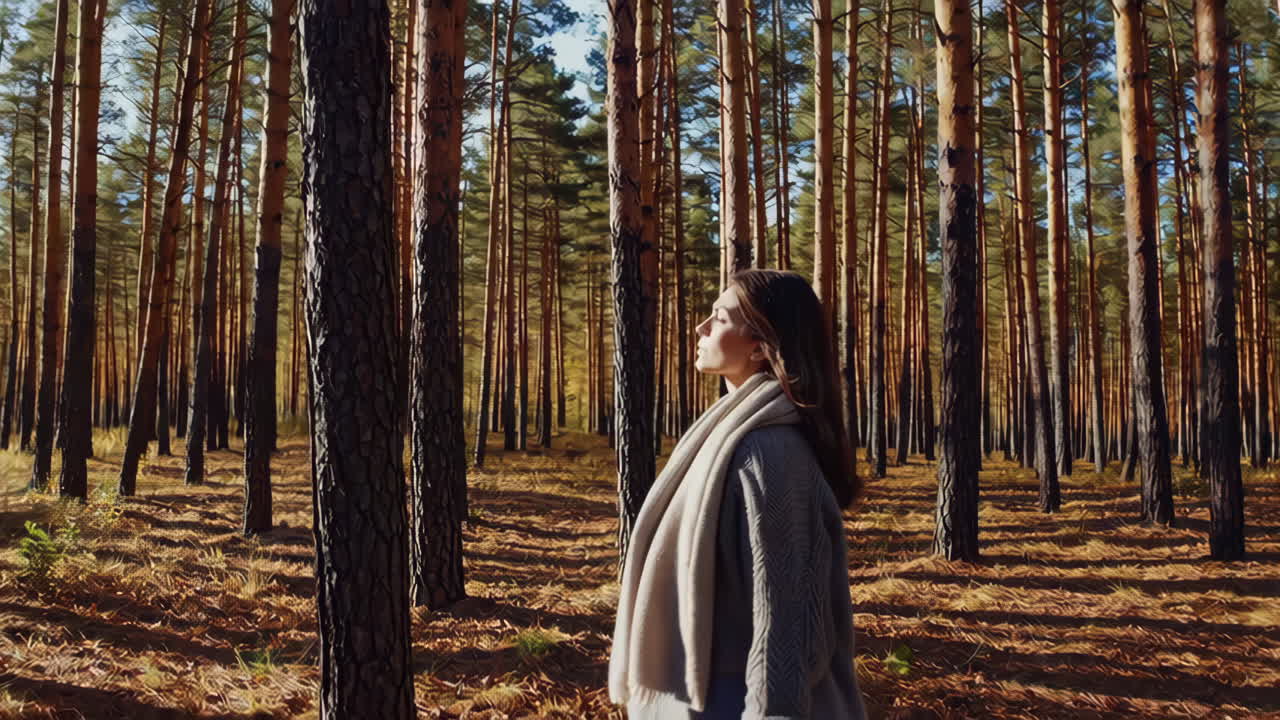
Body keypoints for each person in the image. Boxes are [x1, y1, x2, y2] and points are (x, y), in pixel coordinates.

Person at [609, 269, 867, 719]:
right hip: (704, 689)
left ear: (761, 344)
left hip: (732, 699)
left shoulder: (769, 453)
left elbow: (784, 618)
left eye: (719, 318)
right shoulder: (725, 435)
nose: (700, 328)